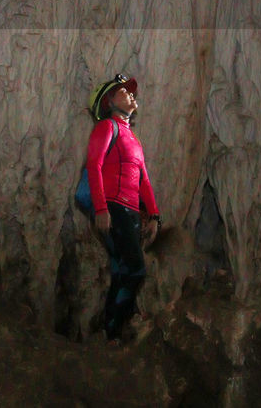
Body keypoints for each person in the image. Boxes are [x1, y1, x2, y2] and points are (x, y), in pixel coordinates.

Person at [85, 73, 161, 342]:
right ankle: (117, 326)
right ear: (108, 101)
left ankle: (109, 329)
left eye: (131, 92)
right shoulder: (107, 128)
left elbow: (144, 180)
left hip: (132, 211)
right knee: (136, 269)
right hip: (115, 208)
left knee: (121, 270)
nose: (131, 94)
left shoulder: (133, 138)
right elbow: (94, 166)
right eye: (122, 91)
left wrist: (154, 215)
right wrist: (101, 208)